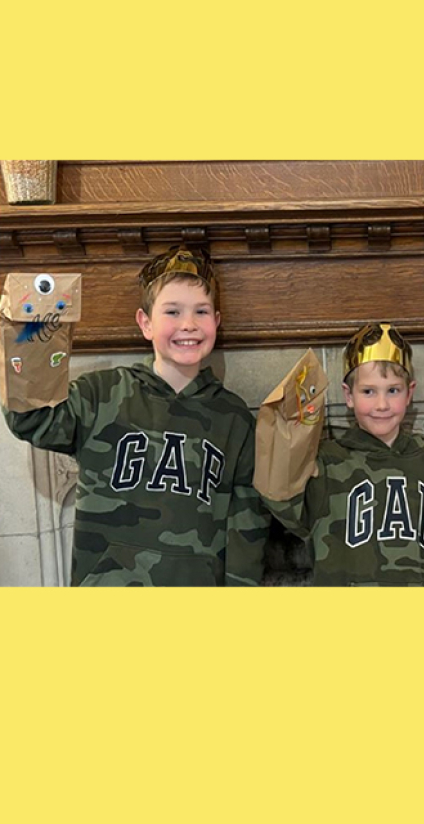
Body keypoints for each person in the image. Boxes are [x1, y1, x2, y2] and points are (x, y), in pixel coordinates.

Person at [2, 246, 269, 586]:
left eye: (201, 311)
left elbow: (247, 526)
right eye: (172, 311)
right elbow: (31, 421)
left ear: (216, 322)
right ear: (146, 323)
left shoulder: (235, 419)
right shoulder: (100, 395)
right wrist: (28, 331)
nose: (188, 324)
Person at [256, 323, 424, 586]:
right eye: (368, 391)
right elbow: (282, 505)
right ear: (349, 395)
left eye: (393, 390)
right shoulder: (326, 463)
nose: (382, 404)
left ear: (409, 393)